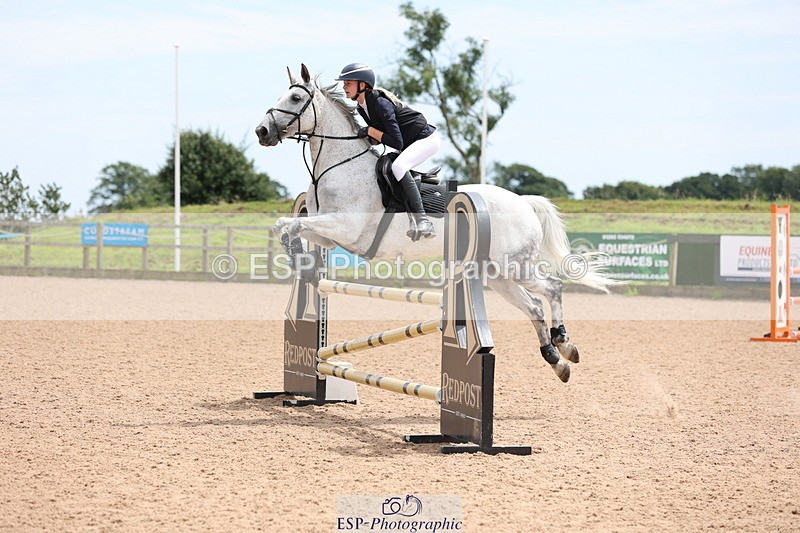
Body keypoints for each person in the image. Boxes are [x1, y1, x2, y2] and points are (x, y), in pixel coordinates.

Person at [336, 63, 440, 240]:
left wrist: (370, 131)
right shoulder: (363, 107)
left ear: (363, 85)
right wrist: (369, 137)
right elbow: (381, 135)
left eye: (348, 83)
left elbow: (397, 142)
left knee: (399, 167)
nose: (344, 87)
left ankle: (423, 221)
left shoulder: (380, 103)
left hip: (425, 139)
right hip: (410, 142)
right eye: (344, 83)